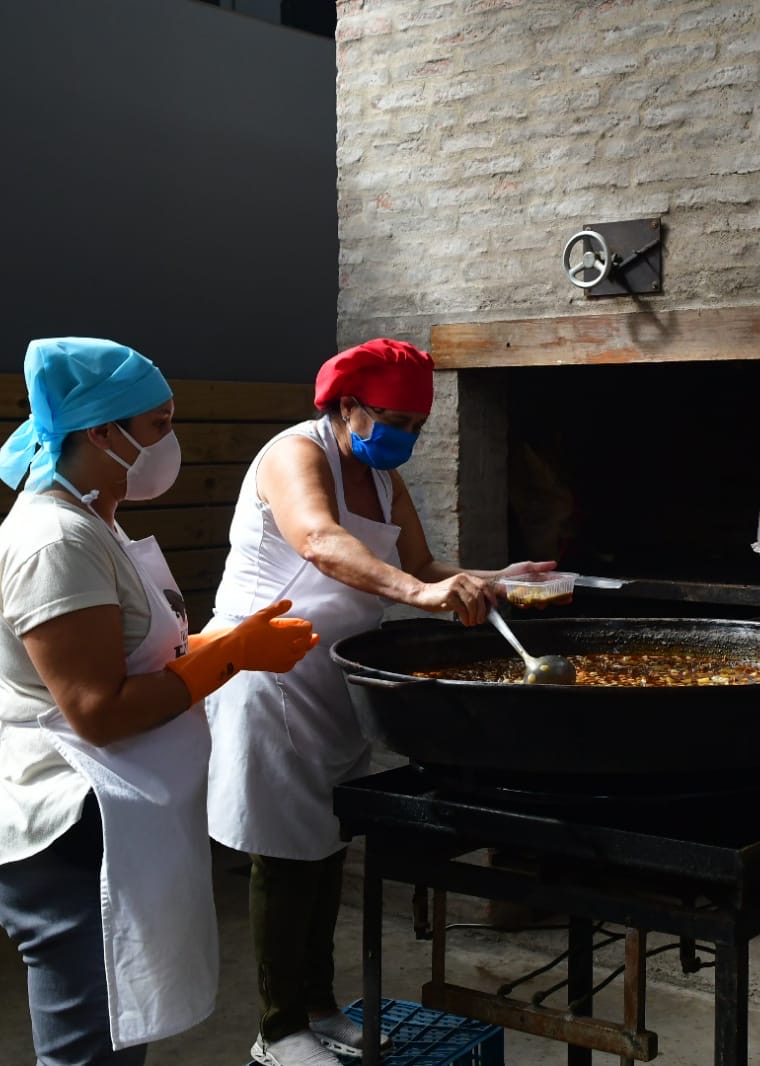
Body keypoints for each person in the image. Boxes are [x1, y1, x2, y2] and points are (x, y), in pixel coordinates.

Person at [204, 337, 555, 1066]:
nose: (406, 437)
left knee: (326, 847)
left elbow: (422, 566)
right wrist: (422, 594)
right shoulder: (293, 454)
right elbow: (319, 540)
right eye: (394, 420)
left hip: (332, 677)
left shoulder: (384, 476)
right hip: (266, 672)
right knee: (284, 852)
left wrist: (503, 578)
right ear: (345, 406)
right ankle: (277, 1030)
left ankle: (321, 1007)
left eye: (417, 426)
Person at [0, 337, 318, 1066]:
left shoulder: (97, 522)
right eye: (157, 426)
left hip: (108, 823)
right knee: (88, 1054)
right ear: (101, 432)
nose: (170, 443)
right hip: (63, 831)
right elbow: (99, 711)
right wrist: (231, 658)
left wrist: (218, 643)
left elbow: (126, 653)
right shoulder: (53, 540)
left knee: (115, 1041)